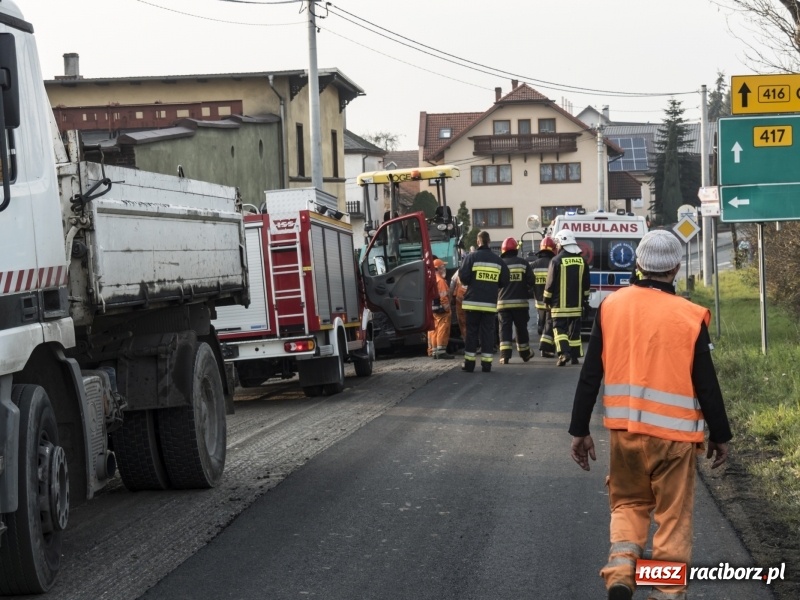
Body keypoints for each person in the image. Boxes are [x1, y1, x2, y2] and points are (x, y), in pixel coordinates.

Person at [568, 229, 732, 600]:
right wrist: (721, 436)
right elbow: (706, 385)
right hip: (675, 442)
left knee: (628, 503)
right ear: (674, 269)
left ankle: (623, 569)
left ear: (639, 264)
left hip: (625, 434)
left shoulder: (612, 307)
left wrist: (579, 429)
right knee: (673, 518)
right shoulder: (690, 316)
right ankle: (665, 591)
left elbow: (591, 372)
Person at [458, 231, 509, 373]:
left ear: (478, 241)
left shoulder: (471, 257)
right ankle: (487, 365)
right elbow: (505, 280)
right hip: (489, 303)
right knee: (487, 333)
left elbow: (464, 277)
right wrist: (492, 285)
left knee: (472, 333)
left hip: (472, 303)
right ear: (489, 242)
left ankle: (469, 364)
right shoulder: (498, 260)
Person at [543, 229, 590, 366]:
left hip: (559, 305)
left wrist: (547, 299)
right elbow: (586, 284)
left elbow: (550, 283)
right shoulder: (582, 261)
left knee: (559, 329)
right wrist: (584, 300)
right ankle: (575, 357)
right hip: (576, 304)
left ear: (562, 243)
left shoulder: (556, 260)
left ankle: (564, 354)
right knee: (574, 331)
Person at [497, 236, 535, 364]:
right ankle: (525, 354)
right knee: (521, 329)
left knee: (504, 329)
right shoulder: (523, 263)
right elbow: (531, 281)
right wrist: (525, 290)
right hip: (520, 304)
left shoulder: (500, 264)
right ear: (515, 250)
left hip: (503, 304)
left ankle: (504, 356)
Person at [530, 235, 557, 358]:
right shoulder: (554, 263)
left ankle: (545, 347)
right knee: (550, 324)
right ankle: (545, 348)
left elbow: (529, 284)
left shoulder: (533, 265)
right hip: (552, 302)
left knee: (543, 324)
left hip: (538, 302)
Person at [429, 259, 455, 359]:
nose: (444, 269)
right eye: (442, 267)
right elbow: (443, 297)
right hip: (442, 310)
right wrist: (448, 309)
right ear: (437, 269)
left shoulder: (432, 279)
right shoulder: (440, 281)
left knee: (435, 330)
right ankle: (441, 351)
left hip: (434, 309)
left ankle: (435, 351)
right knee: (442, 329)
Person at [449, 269, 468, 347]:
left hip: (461, 303)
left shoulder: (459, 271)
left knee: (463, 324)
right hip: (471, 302)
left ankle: (467, 344)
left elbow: (452, 286)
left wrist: (450, 299)